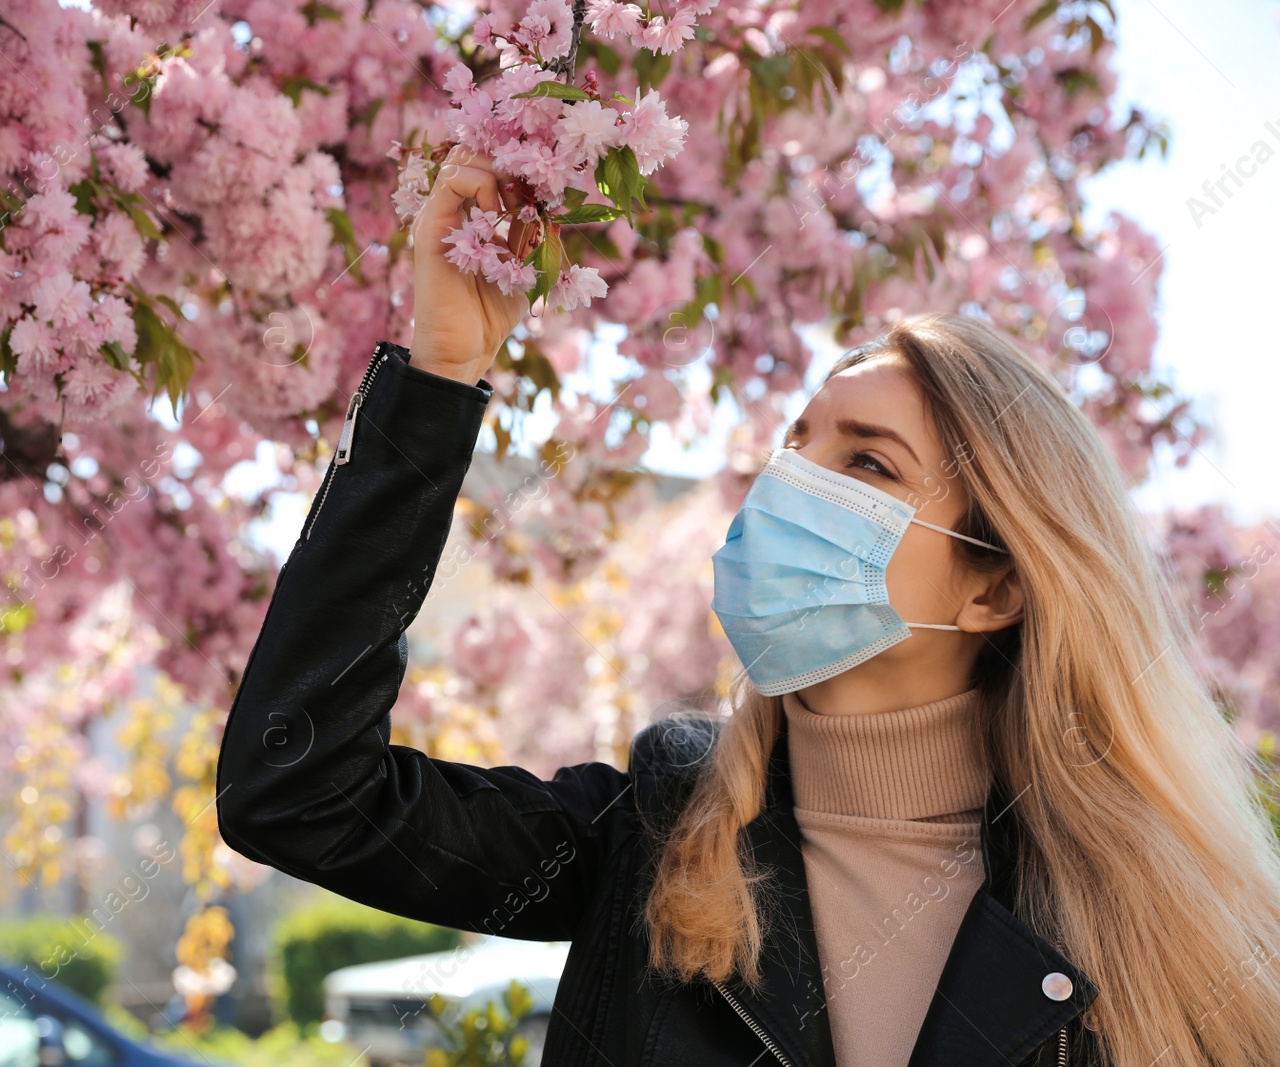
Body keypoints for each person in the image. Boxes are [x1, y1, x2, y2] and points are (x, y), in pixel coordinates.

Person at [214, 146, 1280, 1066]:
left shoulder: (1144, 915)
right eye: (796, 439)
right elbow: (299, 786)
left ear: (995, 583)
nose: (789, 481)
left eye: (865, 461)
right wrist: (440, 376)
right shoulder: (649, 832)